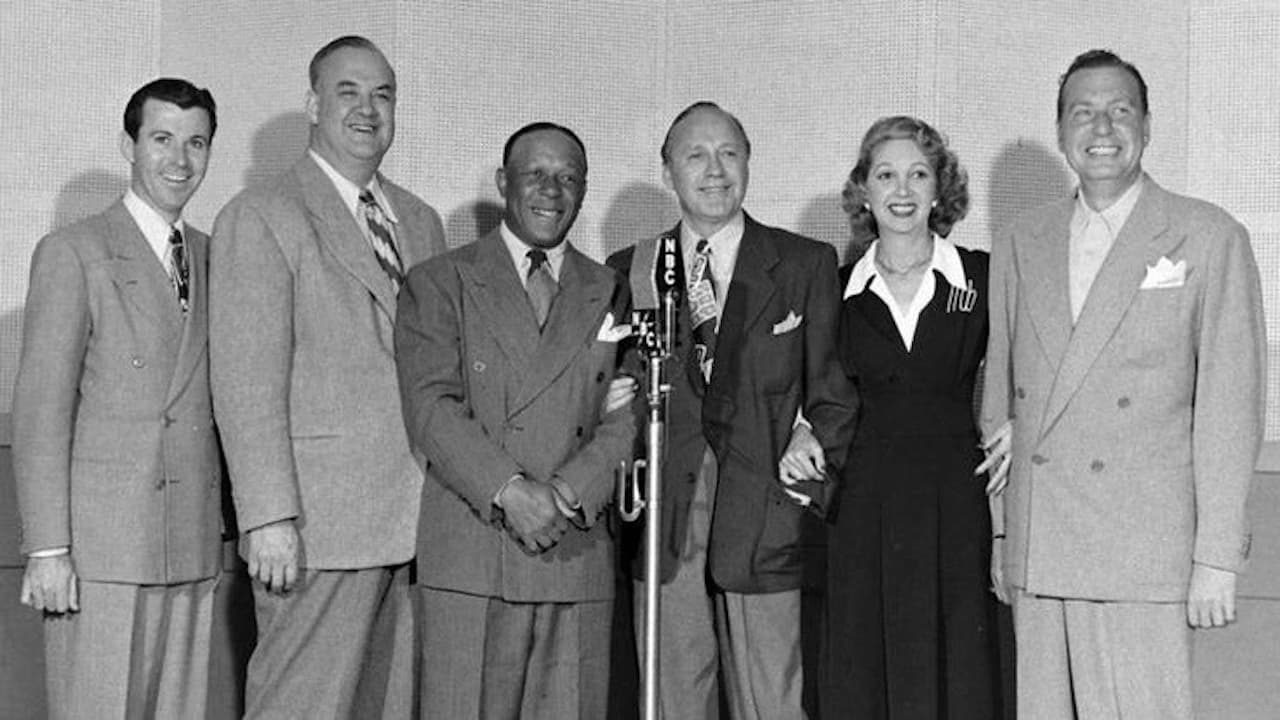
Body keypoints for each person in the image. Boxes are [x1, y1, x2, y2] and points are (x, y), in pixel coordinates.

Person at [981, 49, 1265, 719]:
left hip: (1145, 549)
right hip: (1042, 540)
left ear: (1147, 126)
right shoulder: (1022, 239)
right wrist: (1002, 536)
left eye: (1120, 110)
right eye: (1083, 112)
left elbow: (1230, 408)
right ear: (1061, 132)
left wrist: (1217, 557)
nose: (1102, 128)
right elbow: (1001, 391)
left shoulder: (1207, 236)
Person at [209, 35, 446, 717]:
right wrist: (268, 517)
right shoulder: (262, 214)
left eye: (383, 95)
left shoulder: (420, 221)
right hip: (317, 528)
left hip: (415, 524)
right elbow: (245, 383)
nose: (368, 109)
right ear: (313, 105)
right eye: (349, 93)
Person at [608, 101, 858, 720]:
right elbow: (615, 396)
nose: (714, 169)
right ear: (668, 172)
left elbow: (834, 395)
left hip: (766, 515)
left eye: (729, 153)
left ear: (748, 163)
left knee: (772, 702)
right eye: (695, 155)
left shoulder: (804, 264)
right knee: (671, 702)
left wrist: (812, 446)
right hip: (666, 522)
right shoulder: (634, 269)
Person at [394, 122, 634, 718]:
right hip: (474, 552)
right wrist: (511, 492)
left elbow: (630, 415)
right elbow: (431, 407)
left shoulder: (611, 289)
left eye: (568, 178)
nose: (552, 190)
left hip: (574, 550)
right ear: (504, 182)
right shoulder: (440, 281)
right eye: (536, 175)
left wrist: (567, 492)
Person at [12, 77, 221, 718]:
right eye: (162, 139)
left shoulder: (214, 256)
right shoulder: (74, 252)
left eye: (196, 143)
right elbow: (41, 412)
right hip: (101, 552)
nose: (179, 160)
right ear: (129, 146)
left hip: (190, 545)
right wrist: (48, 549)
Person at [802, 115, 1001, 719]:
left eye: (919, 174)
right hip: (863, 504)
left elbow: (1031, 368)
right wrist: (800, 430)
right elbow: (806, 388)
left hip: (955, 500)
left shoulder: (982, 277)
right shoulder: (835, 289)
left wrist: (1019, 421)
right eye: (886, 175)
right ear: (864, 191)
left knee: (957, 666)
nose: (903, 190)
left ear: (941, 189)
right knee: (864, 667)